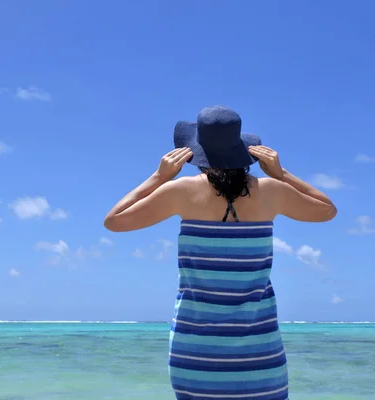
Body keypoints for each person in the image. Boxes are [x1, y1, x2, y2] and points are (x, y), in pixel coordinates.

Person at [103, 105, 336, 400]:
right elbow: (327, 210)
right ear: (242, 149)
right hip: (260, 356)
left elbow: (114, 221)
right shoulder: (272, 191)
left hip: (196, 355)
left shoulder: (181, 191)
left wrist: (159, 177)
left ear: (195, 151)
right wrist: (281, 173)